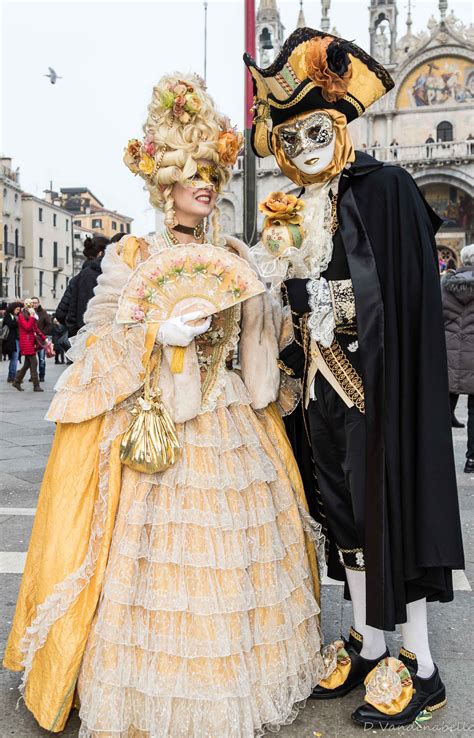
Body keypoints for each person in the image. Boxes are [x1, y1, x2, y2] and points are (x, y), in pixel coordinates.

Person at [4, 72, 325, 737]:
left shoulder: (233, 252)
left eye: (211, 173)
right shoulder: (131, 255)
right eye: (189, 175)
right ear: (164, 182)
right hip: (157, 430)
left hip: (233, 418)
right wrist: (157, 330)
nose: (203, 185)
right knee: (149, 566)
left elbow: (267, 344)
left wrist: (273, 286)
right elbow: (98, 339)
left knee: (233, 563)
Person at [245, 27, 464, 729]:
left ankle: (423, 668)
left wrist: (324, 298)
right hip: (319, 394)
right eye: (292, 143)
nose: (305, 151)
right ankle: (372, 646)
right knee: (346, 522)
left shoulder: (389, 188)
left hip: (375, 390)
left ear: (340, 123)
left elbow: (396, 298)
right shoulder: (297, 205)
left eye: (316, 133)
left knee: (389, 512)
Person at [442, 243, 474, 473]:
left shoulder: (445, 285)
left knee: (442, 408)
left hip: (449, 353)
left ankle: (436, 460)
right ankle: (472, 459)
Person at [12, 299, 45, 392]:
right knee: (34, 363)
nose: (32, 305)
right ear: (26, 305)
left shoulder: (31, 315)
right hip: (26, 343)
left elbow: (36, 329)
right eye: (30, 304)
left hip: (30, 342)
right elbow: (27, 327)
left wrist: (44, 338)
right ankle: (36, 385)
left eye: (32, 304)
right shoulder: (21, 315)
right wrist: (32, 317)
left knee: (27, 364)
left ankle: (17, 381)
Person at [31, 297, 52, 382]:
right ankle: (33, 376)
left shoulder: (43, 313)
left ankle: (42, 375)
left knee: (41, 359)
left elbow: (49, 325)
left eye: (36, 302)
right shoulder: (29, 313)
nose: (34, 304)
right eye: (33, 303)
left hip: (41, 340)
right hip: (31, 339)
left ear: (38, 303)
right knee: (31, 360)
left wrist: (42, 333)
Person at [2, 302, 22, 382]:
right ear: (12, 308)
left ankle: (11, 376)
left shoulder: (16, 316)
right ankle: (12, 376)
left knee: (14, 358)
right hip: (11, 341)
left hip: (16, 340)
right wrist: (19, 321)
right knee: (14, 358)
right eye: (17, 309)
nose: (18, 311)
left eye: (19, 310)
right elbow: (11, 325)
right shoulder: (7, 316)